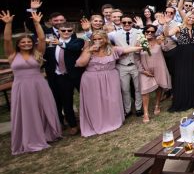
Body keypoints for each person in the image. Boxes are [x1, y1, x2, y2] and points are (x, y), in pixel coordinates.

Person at [2, 10, 62, 154]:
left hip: (39, 84)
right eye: (23, 42)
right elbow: (7, 40)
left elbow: (42, 39)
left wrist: (36, 23)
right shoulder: (12, 55)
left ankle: (47, 133)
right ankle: (30, 137)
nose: (27, 44)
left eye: (29, 42)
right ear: (19, 44)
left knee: (43, 108)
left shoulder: (37, 53)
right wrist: (8, 24)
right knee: (27, 112)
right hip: (21, 87)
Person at [76, 32, 143, 136]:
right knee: (95, 102)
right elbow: (81, 63)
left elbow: (126, 49)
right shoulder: (88, 50)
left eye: (100, 39)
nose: (97, 41)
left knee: (112, 100)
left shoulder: (112, 49)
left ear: (105, 39)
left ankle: (112, 121)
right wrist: (89, 51)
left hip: (110, 77)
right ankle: (97, 123)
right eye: (95, 39)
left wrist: (142, 46)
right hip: (92, 79)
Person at [42, 19, 84, 135]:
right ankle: (73, 125)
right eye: (63, 30)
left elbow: (73, 48)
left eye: (69, 30)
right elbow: (46, 58)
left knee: (85, 98)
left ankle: (88, 121)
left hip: (76, 76)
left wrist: (60, 44)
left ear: (72, 31)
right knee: (67, 102)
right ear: (58, 31)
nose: (66, 32)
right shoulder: (50, 44)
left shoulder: (77, 41)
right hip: (61, 76)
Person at [108, 16, 143, 117]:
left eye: (129, 22)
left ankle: (138, 108)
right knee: (125, 89)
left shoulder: (138, 32)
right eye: (124, 23)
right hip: (122, 65)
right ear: (121, 23)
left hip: (135, 64)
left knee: (138, 88)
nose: (127, 24)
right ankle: (127, 110)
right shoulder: (114, 34)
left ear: (132, 23)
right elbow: (100, 38)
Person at [167, 13, 194, 111]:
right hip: (182, 54)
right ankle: (183, 99)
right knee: (183, 76)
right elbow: (167, 34)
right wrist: (165, 24)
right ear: (185, 18)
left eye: (193, 18)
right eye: (189, 17)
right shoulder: (179, 28)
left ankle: (193, 99)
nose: (191, 19)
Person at [137, 25, 171, 123]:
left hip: (159, 67)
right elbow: (136, 58)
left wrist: (163, 41)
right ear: (144, 32)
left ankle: (157, 105)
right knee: (144, 90)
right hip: (145, 70)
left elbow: (166, 49)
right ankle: (146, 113)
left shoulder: (158, 41)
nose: (150, 33)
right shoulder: (139, 42)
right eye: (147, 31)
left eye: (152, 32)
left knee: (159, 86)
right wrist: (142, 70)